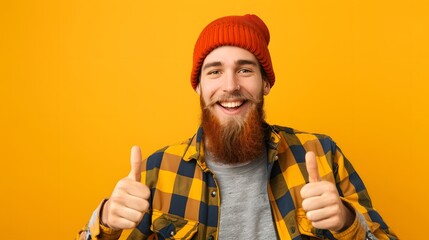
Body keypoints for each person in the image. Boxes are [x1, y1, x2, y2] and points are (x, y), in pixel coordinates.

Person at [77, 14, 397, 240]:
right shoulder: (157, 172)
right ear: (199, 88)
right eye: (214, 72)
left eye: (245, 70)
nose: (230, 86)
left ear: (265, 83)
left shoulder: (321, 154)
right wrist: (105, 223)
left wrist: (346, 222)